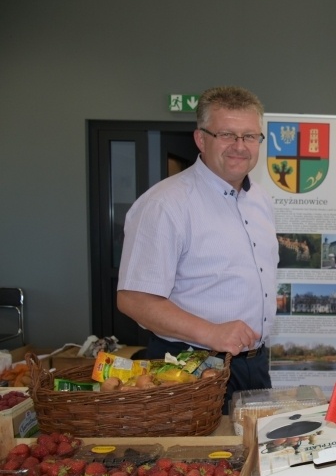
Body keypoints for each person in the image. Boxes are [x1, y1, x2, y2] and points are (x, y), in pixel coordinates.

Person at [117, 85, 278, 413]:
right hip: (190, 367)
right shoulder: (165, 204)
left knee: (255, 456)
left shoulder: (260, 200)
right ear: (200, 139)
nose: (239, 146)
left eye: (249, 136)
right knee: (196, 461)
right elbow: (133, 299)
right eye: (226, 134)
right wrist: (212, 333)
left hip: (254, 366)